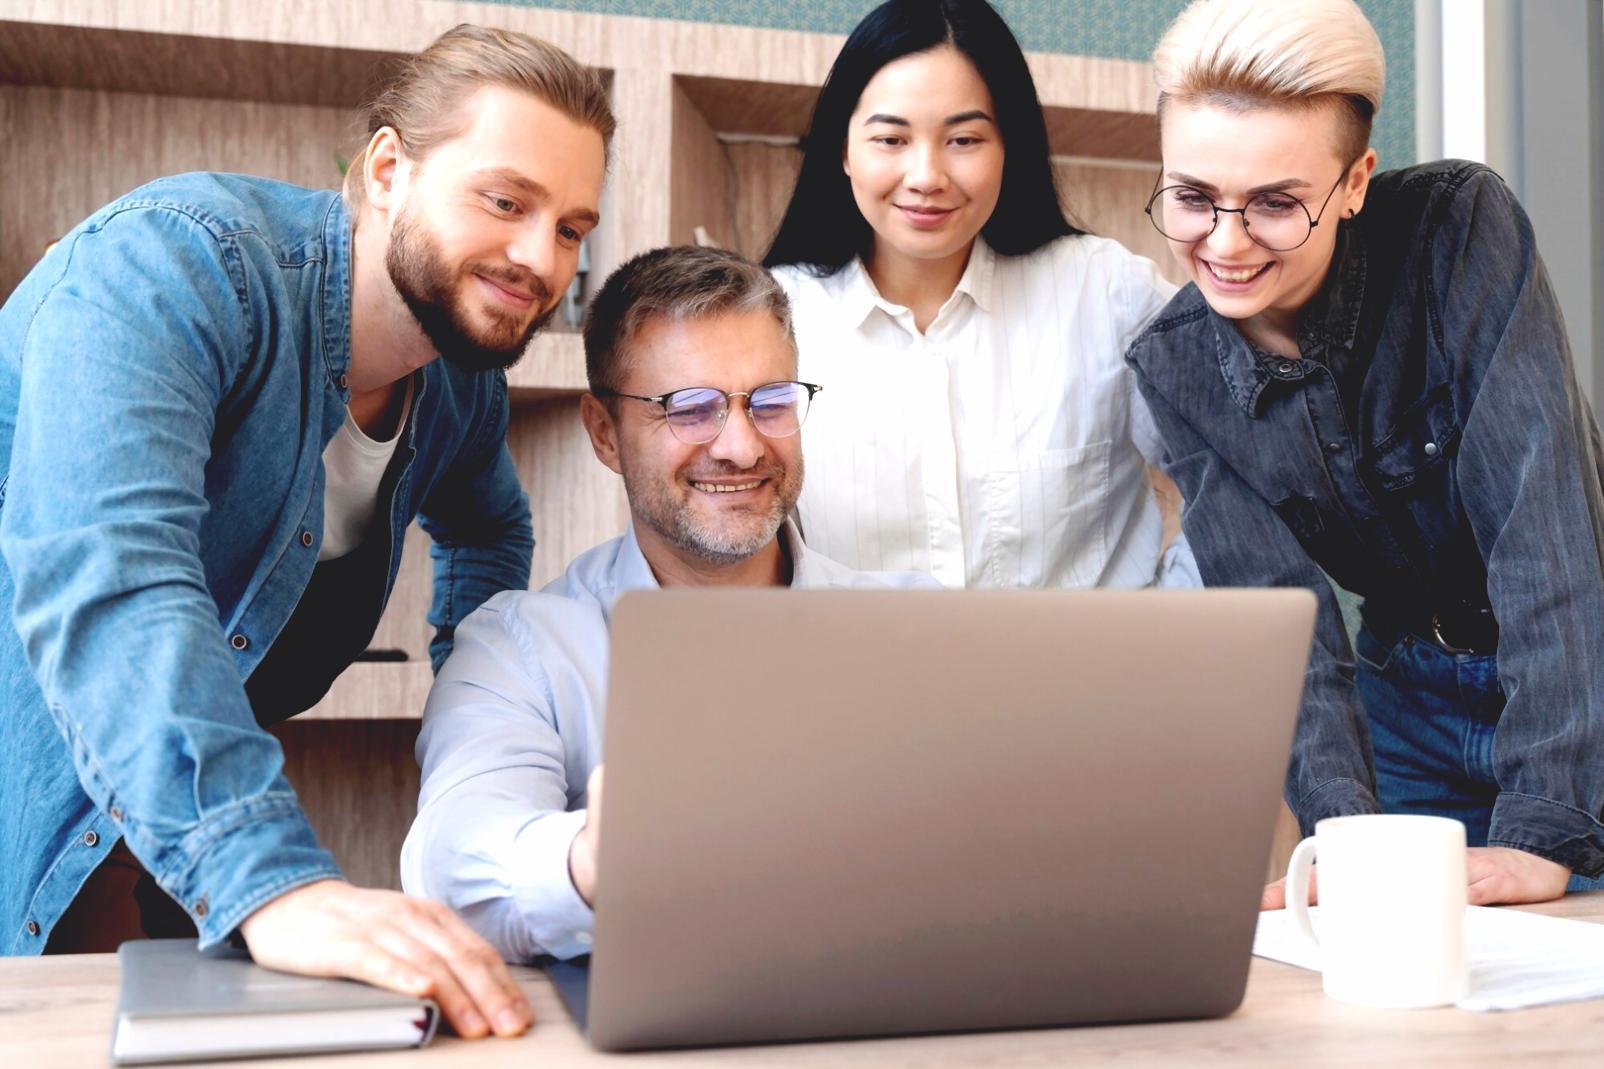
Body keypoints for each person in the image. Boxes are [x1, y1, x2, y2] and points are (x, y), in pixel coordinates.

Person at [0, 23, 613, 1036]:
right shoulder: (176, 268)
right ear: (386, 170)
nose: (539, 258)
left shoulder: (456, 388)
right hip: (41, 779)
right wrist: (269, 882)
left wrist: (484, 718)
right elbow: (113, 576)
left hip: (175, 799)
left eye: (572, 227)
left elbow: (489, 531)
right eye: (506, 201)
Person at [1126, 0, 1604, 904]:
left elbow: (1541, 526)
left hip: (1578, 673)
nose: (1225, 244)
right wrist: (1338, 830)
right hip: (1408, 701)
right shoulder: (1174, 364)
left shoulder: (1457, 231)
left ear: (1354, 182)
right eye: (1191, 197)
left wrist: (1550, 814)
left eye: (1275, 203)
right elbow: (1284, 622)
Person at [400, 246, 934, 961]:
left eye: (770, 401)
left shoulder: (917, 628)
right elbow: (449, 860)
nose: (742, 447)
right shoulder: (518, 647)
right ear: (604, 434)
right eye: (691, 409)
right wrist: (592, 856)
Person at [763, 0, 1194, 591]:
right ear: (842, 149)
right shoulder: (772, 322)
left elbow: (1235, 477)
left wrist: (1176, 623)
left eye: (963, 139)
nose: (926, 175)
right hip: (864, 681)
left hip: (1092, 682)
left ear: (1008, 148)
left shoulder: (1106, 293)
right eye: (890, 139)